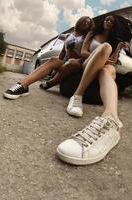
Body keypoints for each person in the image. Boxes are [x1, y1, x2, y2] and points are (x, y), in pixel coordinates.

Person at [56, 15, 132, 165]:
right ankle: (77, 95)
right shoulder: (92, 34)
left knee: (108, 68)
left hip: (103, 67)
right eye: (106, 19)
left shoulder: (114, 40)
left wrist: (118, 48)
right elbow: (84, 52)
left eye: (111, 21)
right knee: (105, 48)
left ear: (114, 25)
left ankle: (112, 120)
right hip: (87, 63)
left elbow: (113, 61)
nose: (107, 22)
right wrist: (99, 56)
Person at [3, 16, 94, 100]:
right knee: (54, 60)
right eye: (84, 21)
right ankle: (23, 85)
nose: (86, 23)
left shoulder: (87, 36)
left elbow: (86, 53)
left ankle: (52, 82)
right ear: (80, 21)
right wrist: (56, 66)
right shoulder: (69, 35)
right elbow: (62, 53)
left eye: (88, 22)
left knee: (72, 62)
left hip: (77, 64)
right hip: (66, 62)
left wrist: (76, 58)